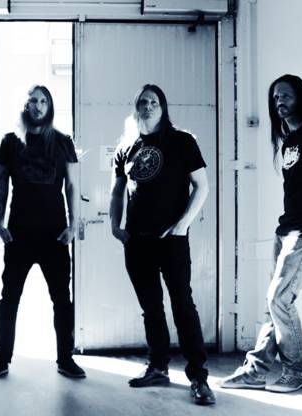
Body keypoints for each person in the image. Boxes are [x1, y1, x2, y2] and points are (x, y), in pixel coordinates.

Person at [220, 74, 302, 393]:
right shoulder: (290, 140)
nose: (279, 101)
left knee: (279, 298)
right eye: (276, 97)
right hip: (286, 229)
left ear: (301, 97)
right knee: (273, 303)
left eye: (286, 95)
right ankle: (256, 370)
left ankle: (294, 371)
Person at [110, 84, 215, 405]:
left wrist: (182, 225)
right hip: (137, 241)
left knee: (183, 305)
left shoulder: (182, 141)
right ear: (135, 107)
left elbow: (202, 186)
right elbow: (117, 191)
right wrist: (115, 227)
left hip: (172, 240)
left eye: (153, 102)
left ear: (163, 107)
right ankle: (158, 367)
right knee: (151, 308)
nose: (147, 106)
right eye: (142, 101)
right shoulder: (126, 147)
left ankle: (198, 377)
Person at [0, 85, 85, 379]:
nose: (38, 105)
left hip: (54, 233)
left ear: (50, 106)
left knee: (62, 299)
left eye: (44, 101)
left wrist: (73, 225)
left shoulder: (63, 142)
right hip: (19, 233)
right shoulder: (10, 141)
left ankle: (65, 359)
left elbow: (73, 186)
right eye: (33, 100)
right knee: (9, 297)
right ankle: (2, 358)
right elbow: (1, 183)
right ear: (26, 105)